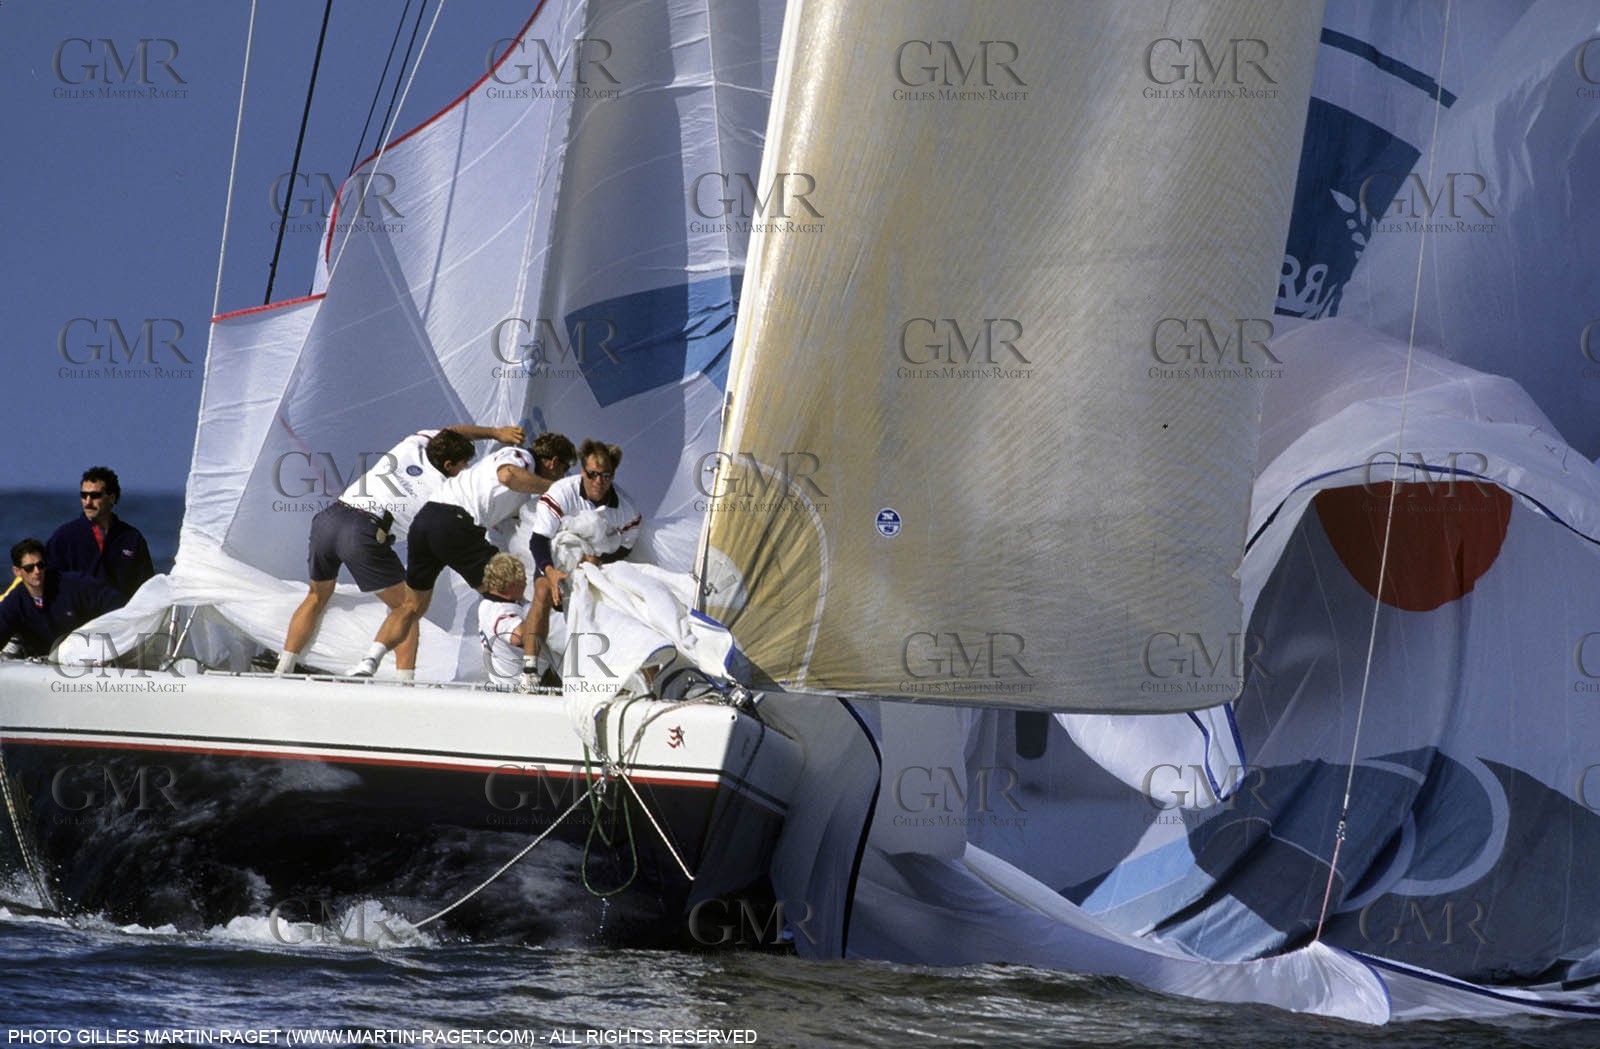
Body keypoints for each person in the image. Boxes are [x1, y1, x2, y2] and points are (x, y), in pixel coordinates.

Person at [275, 424, 533, 678]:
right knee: (408, 610)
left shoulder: (416, 443)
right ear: (448, 466)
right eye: (464, 464)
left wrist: (496, 433)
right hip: (361, 532)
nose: (465, 469)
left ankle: (283, 667)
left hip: (329, 520)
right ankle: (404, 686)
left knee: (316, 597)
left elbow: (452, 431)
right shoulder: (442, 492)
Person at [348, 431, 575, 677]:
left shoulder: (506, 487)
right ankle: (536, 670)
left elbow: (506, 518)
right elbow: (508, 475)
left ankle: (369, 661)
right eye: (563, 471)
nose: (563, 477)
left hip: (425, 524)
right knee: (512, 591)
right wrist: (558, 489)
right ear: (553, 462)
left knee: (411, 606)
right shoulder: (521, 458)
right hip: (455, 523)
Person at [518, 439, 642, 687]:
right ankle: (529, 670)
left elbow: (625, 547)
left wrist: (598, 560)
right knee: (542, 590)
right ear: (583, 471)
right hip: (556, 556)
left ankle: (611, 676)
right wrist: (550, 572)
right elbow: (539, 539)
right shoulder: (562, 492)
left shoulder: (626, 509)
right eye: (592, 474)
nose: (598, 481)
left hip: (595, 563)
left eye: (605, 476)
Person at [45, 466, 154, 605]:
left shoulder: (132, 538)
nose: (88, 502)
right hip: (81, 621)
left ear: (112, 497)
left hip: (123, 619)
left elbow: (147, 587)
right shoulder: (64, 537)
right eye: (84, 496)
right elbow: (49, 585)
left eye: (95, 496)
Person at [0, 539, 123, 658]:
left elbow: (114, 602)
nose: (37, 571)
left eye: (40, 565)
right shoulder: (15, 602)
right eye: (29, 568)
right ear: (17, 571)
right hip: (43, 663)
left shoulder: (73, 584)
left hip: (89, 652)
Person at [476, 553, 530, 685]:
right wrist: (538, 612)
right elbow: (518, 636)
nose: (526, 582)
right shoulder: (502, 611)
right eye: (522, 579)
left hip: (500, 682)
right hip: (516, 688)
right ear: (511, 584)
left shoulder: (485, 605)